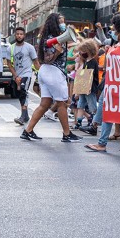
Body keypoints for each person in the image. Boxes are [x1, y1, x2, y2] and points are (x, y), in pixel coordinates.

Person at [19, 13, 82, 143]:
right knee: (62, 103)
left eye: (63, 21)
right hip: (53, 73)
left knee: (45, 104)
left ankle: (28, 131)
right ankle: (67, 134)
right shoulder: (50, 39)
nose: (62, 24)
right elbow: (47, 59)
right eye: (60, 21)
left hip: (47, 73)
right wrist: (58, 52)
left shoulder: (53, 38)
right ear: (54, 23)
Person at [85, 14, 120, 152]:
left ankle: (102, 142)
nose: (113, 29)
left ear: (119, 30)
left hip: (116, 85)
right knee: (118, 110)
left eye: (115, 27)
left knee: (108, 110)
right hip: (115, 84)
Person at [7, 27, 40, 125]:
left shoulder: (30, 47)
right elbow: (9, 64)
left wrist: (41, 73)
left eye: (21, 34)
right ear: (15, 35)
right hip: (17, 75)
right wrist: (16, 76)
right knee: (20, 93)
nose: (19, 36)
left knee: (23, 90)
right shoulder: (10, 48)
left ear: (24, 35)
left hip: (27, 73)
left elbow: (36, 62)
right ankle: (25, 116)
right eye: (17, 34)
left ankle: (23, 116)